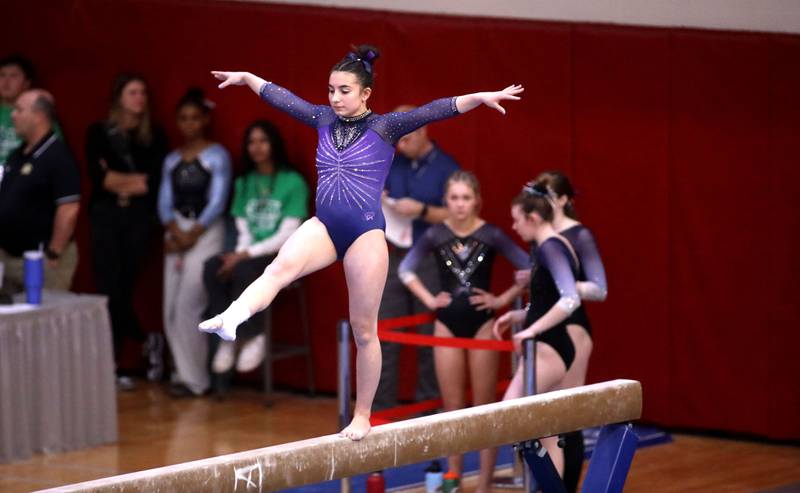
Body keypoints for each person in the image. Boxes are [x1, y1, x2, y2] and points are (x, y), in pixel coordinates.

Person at [200, 44, 523, 440]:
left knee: (364, 330)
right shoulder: (321, 118)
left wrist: (482, 97)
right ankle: (232, 318)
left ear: (366, 93)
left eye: (344, 91)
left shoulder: (386, 127)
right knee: (278, 269)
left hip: (365, 234)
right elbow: (282, 98)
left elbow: (436, 109)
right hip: (325, 226)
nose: (335, 98)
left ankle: (362, 415)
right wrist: (249, 79)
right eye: (331, 90)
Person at [398, 170, 528, 487]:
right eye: (454, 198)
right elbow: (405, 269)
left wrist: (502, 299)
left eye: (466, 198)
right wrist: (430, 298)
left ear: (477, 202)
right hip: (446, 326)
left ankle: (484, 482)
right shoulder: (435, 234)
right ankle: (452, 476)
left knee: (484, 409)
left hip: (483, 326)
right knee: (452, 407)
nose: (459, 205)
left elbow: (528, 267)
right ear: (446, 201)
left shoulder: (492, 234)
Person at [203, 120, 309, 386]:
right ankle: (228, 337)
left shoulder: (292, 181)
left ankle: (252, 334)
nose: (257, 147)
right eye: (252, 142)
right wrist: (237, 254)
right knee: (211, 268)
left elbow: (287, 234)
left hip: (282, 255)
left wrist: (243, 256)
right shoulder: (244, 182)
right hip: (247, 252)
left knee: (246, 270)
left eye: (263, 140)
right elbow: (242, 227)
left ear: (274, 144)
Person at [490, 182, 581, 480]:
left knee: (509, 414)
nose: (514, 227)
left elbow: (570, 299)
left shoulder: (553, 246)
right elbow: (548, 301)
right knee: (547, 434)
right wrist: (520, 315)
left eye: (517, 219)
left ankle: (541, 483)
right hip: (550, 345)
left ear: (535, 217)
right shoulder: (545, 248)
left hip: (549, 347)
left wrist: (531, 331)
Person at [86, 73, 168, 390]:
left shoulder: (153, 137)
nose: (139, 98)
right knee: (109, 290)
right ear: (119, 97)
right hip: (105, 216)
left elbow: (151, 182)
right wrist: (127, 181)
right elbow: (100, 178)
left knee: (124, 286)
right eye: (133, 92)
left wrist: (120, 180)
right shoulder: (98, 132)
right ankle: (131, 349)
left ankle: (134, 349)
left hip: (138, 220)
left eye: (143, 93)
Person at [375, 104, 461, 410]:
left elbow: (459, 215)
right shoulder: (390, 163)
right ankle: (379, 414)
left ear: (422, 130)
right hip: (392, 256)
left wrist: (423, 210)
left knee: (429, 337)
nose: (400, 142)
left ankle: (428, 414)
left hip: (429, 259)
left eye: (406, 135)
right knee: (384, 335)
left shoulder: (447, 168)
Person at [535, 170, 608, 492]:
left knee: (567, 417)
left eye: (548, 194)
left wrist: (565, 284)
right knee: (543, 417)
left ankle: (567, 487)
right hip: (546, 326)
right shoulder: (540, 233)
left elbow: (599, 288)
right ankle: (546, 484)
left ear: (563, 199)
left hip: (573, 325)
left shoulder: (578, 236)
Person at [158, 88, 231, 397]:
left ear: (205, 120)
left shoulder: (217, 155)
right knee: (169, 309)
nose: (189, 125)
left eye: (194, 119)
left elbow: (218, 199)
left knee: (189, 304)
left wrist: (193, 233)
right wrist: (175, 230)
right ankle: (184, 374)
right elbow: (163, 200)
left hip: (206, 231)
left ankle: (196, 380)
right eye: (183, 119)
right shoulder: (172, 159)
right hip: (177, 230)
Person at [0, 90, 80, 292]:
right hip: (9, 259)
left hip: (42, 261)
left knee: (44, 319)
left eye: (19, 110)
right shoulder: (17, 155)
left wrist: (54, 253)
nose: (12, 115)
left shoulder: (58, 156)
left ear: (38, 116)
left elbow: (68, 208)